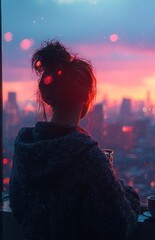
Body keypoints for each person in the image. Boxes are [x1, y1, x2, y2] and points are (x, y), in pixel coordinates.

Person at [9, 41, 140, 240]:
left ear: (47, 97)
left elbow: (19, 208)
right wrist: (127, 193)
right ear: (86, 98)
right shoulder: (88, 157)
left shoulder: (25, 149)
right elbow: (119, 227)